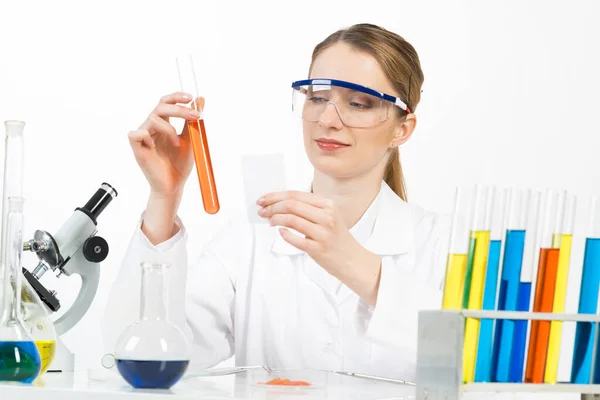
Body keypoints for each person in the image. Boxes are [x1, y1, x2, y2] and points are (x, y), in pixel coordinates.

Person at [102, 23, 450, 382]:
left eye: (359, 103)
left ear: (402, 128)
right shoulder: (250, 241)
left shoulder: (441, 244)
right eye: (317, 97)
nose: (328, 120)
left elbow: (479, 362)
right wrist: (165, 198)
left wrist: (358, 266)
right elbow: (131, 355)